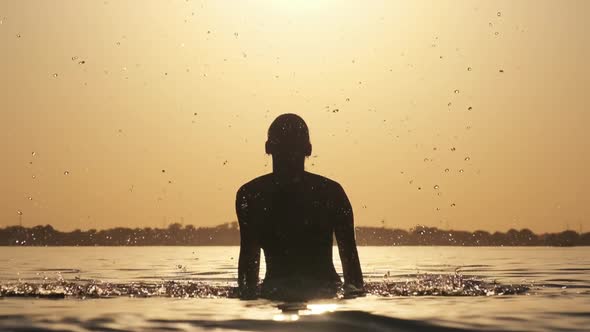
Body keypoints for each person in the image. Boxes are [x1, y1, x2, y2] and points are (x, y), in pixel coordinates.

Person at [235, 113, 363, 300]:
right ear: (308, 149)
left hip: (274, 290)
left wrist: (247, 296)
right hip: (326, 290)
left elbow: (248, 271)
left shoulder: (252, 194)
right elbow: (352, 272)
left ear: (268, 147)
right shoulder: (331, 192)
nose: (289, 154)